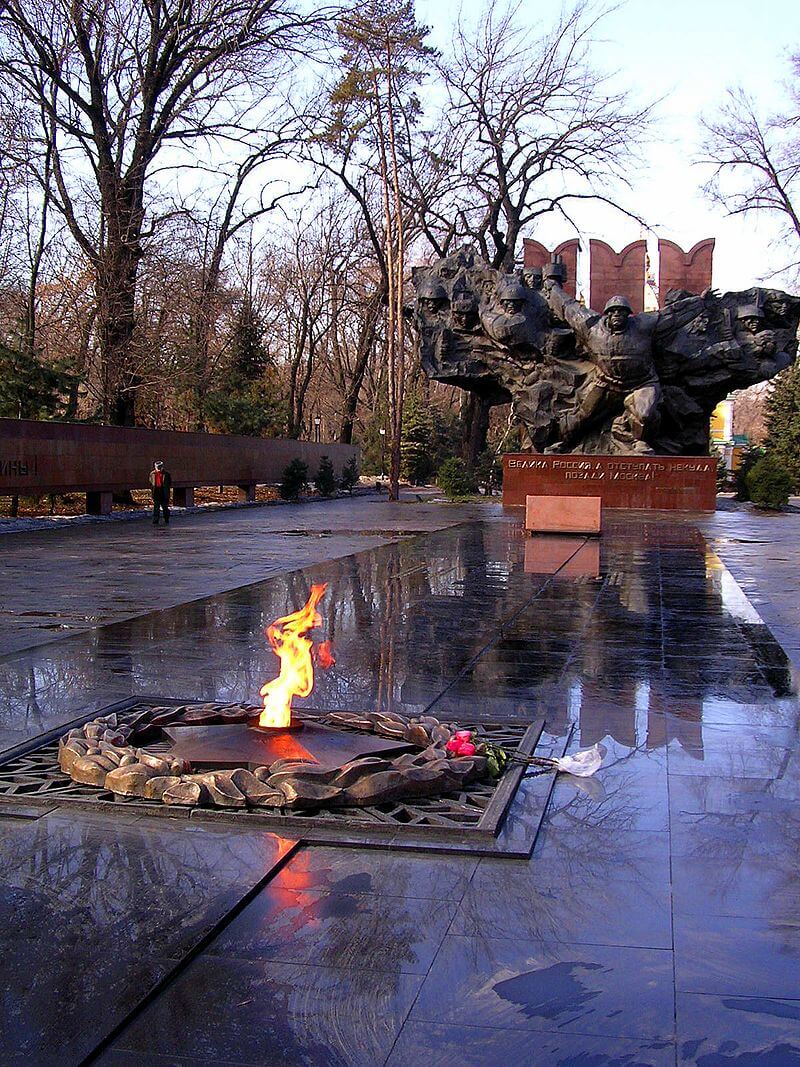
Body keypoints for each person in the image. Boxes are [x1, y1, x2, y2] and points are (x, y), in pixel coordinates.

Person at [149, 460, 172, 526]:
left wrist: (166, 491)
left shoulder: (166, 474)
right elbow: (151, 482)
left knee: (165, 507)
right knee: (156, 508)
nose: (158, 469)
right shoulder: (152, 474)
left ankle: (166, 519)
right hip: (156, 492)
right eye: (157, 467)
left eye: (159, 467)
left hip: (163, 492)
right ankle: (155, 520)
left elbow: (169, 483)